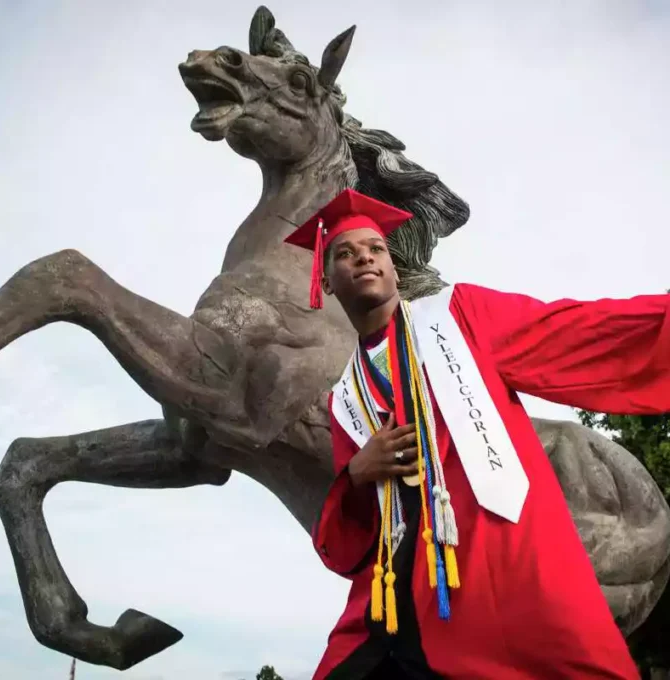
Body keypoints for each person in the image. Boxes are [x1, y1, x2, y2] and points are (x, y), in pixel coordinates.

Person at [284, 188, 664, 679]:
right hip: (393, 596)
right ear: (326, 281)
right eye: (345, 253)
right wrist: (359, 472)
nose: (364, 259)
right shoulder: (346, 399)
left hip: (491, 568)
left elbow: (572, 331)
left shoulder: (459, 318)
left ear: (394, 268)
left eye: (376, 249)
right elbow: (354, 536)